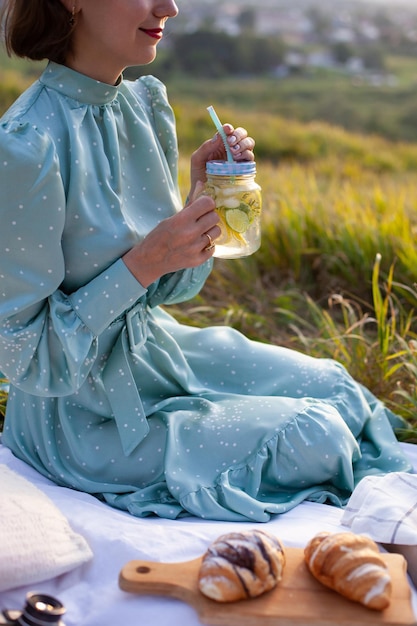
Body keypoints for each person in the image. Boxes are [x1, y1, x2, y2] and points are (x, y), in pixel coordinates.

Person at [0, 0, 412, 523]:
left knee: (335, 387)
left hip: (156, 351)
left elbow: (169, 290)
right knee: (315, 433)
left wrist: (203, 199)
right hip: (79, 417)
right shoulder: (25, 145)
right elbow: (24, 356)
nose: (168, 7)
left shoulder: (143, 104)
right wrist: (143, 264)